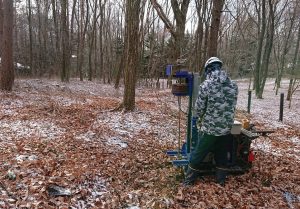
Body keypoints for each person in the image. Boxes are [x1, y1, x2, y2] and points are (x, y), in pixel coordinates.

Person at [184, 57, 238, 186]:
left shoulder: (206, 85)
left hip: (210, 128)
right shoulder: (233, 85)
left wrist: (197, 118)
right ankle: (221, 181)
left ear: (208, 70)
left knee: (198, 153)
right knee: (221, 154)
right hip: (226, 128)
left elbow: (199, 108)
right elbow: (231, 105)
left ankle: (188, 181)